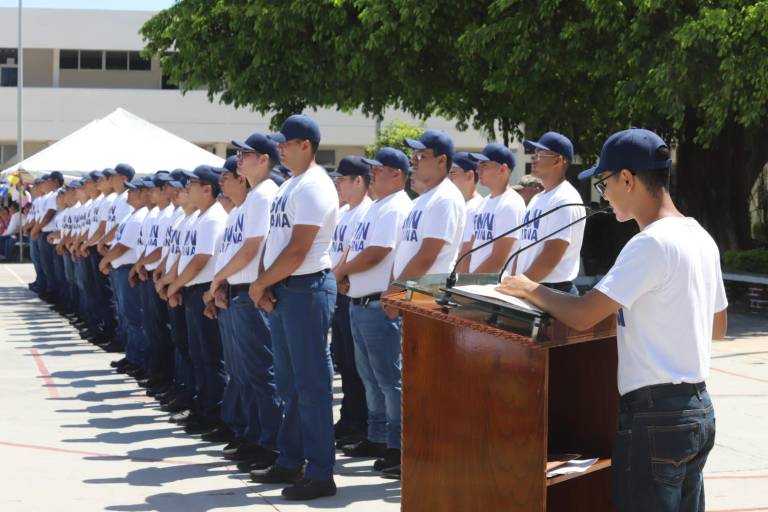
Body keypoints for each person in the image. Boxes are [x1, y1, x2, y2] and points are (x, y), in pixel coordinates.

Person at [496, 128, 728, 512]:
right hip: (697, 408)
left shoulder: (650, 242)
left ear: (628, 178)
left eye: (604, 183)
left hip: (655, 414)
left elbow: (583, 314)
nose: (603, 195)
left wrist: (529, 288)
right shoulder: (700, 236)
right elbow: (718, 328)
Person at [247, 114, 339, 500]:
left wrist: (260, 284)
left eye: (286, 143)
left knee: (311, 385)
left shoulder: (315, 185)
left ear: (306, 145)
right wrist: (265, 281)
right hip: (286, 289)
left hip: (307, 288)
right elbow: (275, 240)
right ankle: (290, 459)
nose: (280, 149)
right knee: (289, 383)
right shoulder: (290, 185)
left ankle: (320, 473)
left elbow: (299, 248)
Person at [334, 147, 413, 474]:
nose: (373, 174)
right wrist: (342, 275)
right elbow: (354, 248)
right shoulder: (376, 207)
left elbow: (378, 251)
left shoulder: (396, 206)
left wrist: (341, 272)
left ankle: (396, 444)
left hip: (379, 303)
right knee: (370, 377)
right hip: (359, 301)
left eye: (379, 169)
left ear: (397, 174)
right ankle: (377, 436)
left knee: (388, 378)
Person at [209, 144, 281, 470]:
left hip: (253, 294)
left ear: (263, 159)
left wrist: (218, 280)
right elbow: (234, 252)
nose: (238, 162)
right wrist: (222, 283)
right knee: (246, 373)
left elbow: (254, 249)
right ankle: (254, 435)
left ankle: (270, 442)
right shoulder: (246, 204)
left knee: (262, 373)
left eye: (244, 155)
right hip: (237, 291)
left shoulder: (264, 196)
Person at [167, 165, 229, 437]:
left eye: (192, 184)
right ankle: (204, 407)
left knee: (211, 357)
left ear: (207, 189)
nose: (187, 189)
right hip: (193, 289)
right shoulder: (199, 217)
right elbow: (185, 257)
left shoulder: (213, 218)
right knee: (199, 355)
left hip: (205, 289)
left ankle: (214, 412)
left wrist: (174, 285)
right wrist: (174, 284)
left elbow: (201, 260)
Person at [328, 156, 374, 447]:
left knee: (359, 367)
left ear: (359, 181)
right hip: (340, 291)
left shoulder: (366, 211)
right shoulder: (344, 212)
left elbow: (351, 252)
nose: (338, 184)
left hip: (351, 291)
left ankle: (362, 424)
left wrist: (340, 275)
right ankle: (349, 418)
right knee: (345, 362)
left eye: (342, 179)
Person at [513, 132, 585, 294]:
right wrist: (514, 279)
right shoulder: (538, 198)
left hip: (552, 291)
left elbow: (550, 257)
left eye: (540, 154)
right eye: (534, 154)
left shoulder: (564, 198)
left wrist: (519, 287)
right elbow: (523, 246)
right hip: (530, 286)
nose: (533, 159)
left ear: (558, 160)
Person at [466, 143, 526, 273]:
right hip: (475, 282)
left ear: (503, 169)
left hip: (494, 284)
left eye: (484, 165)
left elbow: (498, 260)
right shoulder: (483, 203)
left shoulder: (511, 204)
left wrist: (470, 282)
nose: (478, 170)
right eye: (478, 165)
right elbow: (470, 250)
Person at [449, 152, 484, 273]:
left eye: (452, 173)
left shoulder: (477, 207)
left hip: (458, 277)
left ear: (469, 175)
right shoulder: (460, 205)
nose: (448, 178)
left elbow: (465, 253)